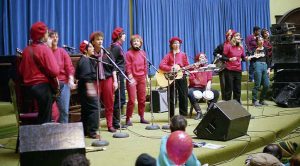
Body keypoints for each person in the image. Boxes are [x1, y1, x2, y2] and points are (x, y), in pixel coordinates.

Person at [19, 21, 59, 124]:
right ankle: (45, 139)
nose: (47, 34)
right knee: (45, 119)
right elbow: (55, 71)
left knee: (34, 119)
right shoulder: (44, 49)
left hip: (27, 89)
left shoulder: (26, 50)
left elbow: (21, 71)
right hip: (42, 88)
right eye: (46, 32)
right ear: (42, 35)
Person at [90, 31, 118, 133]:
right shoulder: (90, 54)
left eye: (101, 39)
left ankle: (110, 125)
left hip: (108, 79)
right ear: (93, 42)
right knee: (94, 104)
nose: (100, 41)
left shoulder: (107, 52)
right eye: (98, 39)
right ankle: (94, 126)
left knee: (109, 103)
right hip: (95, 81)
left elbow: (114, 67)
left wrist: (115, 81)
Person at [48, 30, 76, 123]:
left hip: (63, 84)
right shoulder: (46, 52)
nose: (55, 38)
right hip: (49, 85)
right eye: (52, 36)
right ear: (48, 38)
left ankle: (64, 133)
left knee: (64, 111)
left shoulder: (62, 52)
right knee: (50, 112)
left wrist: (71, 79)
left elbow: (69, 67)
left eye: (57, 36)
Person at [159, 37, 189, 118]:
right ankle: (171, 116)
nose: (176, 45)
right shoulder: (168, 55)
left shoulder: (183, 54)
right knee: (171, 97)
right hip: (171, 77)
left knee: (183, 96)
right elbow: (161, 65)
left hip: (181, 77)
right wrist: (171, 68)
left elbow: (187, 65)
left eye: (178, 43)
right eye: (174, 43)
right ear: (171, 45)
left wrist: (194, 66)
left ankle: (183, 116)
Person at [75, 40, 99, 139]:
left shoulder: (84, 59)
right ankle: (92, 132)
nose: (93, 48)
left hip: (83, 88)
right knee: (94, 108)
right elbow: (86, 77)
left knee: (85, 109)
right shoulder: (85, 60)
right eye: (90, 47)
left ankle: (85, 131)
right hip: (87, 87)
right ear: (85, 50)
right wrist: (91, 90)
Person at [125, 34, 149, 126]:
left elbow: (145, 65)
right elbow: (128, 67)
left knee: (142, 99)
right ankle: (128, 118)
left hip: (142, 77)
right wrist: (131, 78)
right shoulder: (128, 53)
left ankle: (142, 117)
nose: (136, 42)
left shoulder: (143, 53)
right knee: (131, 99)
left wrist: (146, 76)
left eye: (137, 41)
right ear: (131, 43)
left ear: (140, 43)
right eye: (134, 41)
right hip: (132, 79)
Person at [188, 53, 220, 120]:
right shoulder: (193, 67)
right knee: (189, 92)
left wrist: (208, 84)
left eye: (204, 57)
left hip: (204, 88)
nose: (202, 58)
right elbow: (191, 79)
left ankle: (209, 111)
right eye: (201, 57)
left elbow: (209, 79)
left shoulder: (207, 68)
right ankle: (199, 112)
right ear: (198, 59)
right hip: (194, 88)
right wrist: (197, 81)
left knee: (216, 92)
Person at [110, 27, 127, 129]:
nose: (125, 35)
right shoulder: (116, 47)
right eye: (123, 34)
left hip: (120, 75)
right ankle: (115, 123)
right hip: (117, 76)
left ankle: (116, 121)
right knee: (119, 99)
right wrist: (115, 79)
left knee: (121, 99)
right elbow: (113, 64)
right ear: (119, 36)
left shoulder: (118, 47)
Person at [223, 31, 246, 103]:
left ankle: (237, 105)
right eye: (237, 35)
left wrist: (248, 57)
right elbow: (223, 57)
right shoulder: (228, 46)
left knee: (237, 89)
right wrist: (229, 59)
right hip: (229, 70)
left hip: (238, 70)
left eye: (239, 35)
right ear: (233, 38)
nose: (239, 37)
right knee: (229, 89)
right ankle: (228, 105)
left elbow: (243, 58)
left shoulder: (241, 47)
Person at [249, 37, 271, 107]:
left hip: (265, 66)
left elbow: (268, 59)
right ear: (257, 42)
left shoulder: (265, 49)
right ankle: (254, 100)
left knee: (267, 84)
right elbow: (251, 60)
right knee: (257, 84)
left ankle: (261, 100)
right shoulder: (254, 49)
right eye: (259, 40)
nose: (261, 41)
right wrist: (255, 55)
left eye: (262, 40)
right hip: (257, 65)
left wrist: (269, 68)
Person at [213, 29, 234, 100]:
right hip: (223, 67)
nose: (230, 37)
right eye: (229, 35)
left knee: (232, 84)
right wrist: (220, 56)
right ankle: (224, 100)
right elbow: (215, 52)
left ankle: (233, 100)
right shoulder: (222, 45)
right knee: (224, 84)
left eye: (231, 36)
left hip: (233, 67)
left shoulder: (236, 46)